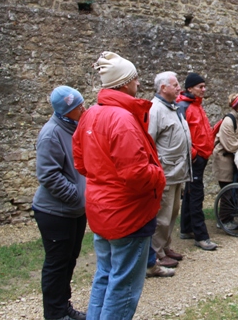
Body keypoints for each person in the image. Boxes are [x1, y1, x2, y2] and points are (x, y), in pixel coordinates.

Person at [73, 52, 165, 320]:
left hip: (102, 208)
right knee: (123, 285)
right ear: (125, 83)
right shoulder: (122, 119)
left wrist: (106, 176)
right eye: (135, 79)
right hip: (128, 214)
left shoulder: (90, 115)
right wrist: (159, 176)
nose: (138, 84)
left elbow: (81, 164)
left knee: (105, 275)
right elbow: (136, 174)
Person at [33, 86, 87, 320]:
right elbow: (48, 175)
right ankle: (54, 314)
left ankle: (63, 307)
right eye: (78, 107)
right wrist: (77, 196)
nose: (83, 108)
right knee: (57, 264)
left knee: (69, 261)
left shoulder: (75, 128)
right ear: (66, 111)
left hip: (75, 211)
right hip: (55, 212)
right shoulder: (51, 133)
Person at [148, 71, 192, 273]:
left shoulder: (173, 108)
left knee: (173, 211)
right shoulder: (155, 110)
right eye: (175, 85)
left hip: (177, 171)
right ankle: (156, 253)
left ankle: (165, 247)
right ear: (163, 88)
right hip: (165, 172)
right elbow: (150, 142)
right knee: (162, 216)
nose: (179, 88)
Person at [176, 73, 217, 251]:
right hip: (195, 158)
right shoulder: (184, 107)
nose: (204, 89)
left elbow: (202, 132)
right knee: (196, 196)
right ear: (190, 88)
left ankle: (186, 228)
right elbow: (181, 135)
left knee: (191, 194)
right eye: (200, 86)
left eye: (204, 86)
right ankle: (201, 236)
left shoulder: (196, 105)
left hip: (201, 157)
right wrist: (194, 155)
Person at [212, 93, 238, 188]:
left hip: (237, 159)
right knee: (227, 192)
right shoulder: (229, 121)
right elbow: (231, 146)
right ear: (237, 108)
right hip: (225, 161)